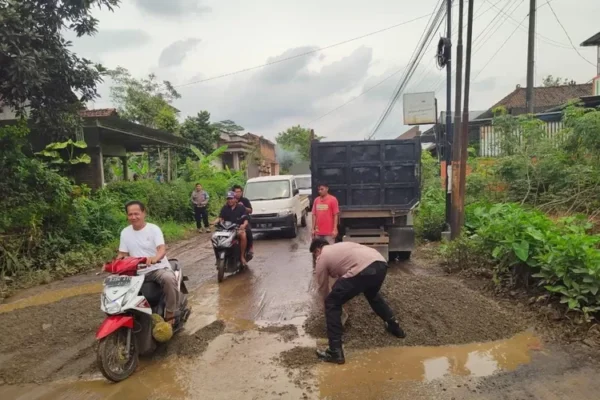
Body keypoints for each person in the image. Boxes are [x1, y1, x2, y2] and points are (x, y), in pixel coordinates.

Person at [310, 238, 405, 364]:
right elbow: (345, 280)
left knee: (331, 302)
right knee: (372, 295)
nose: (315, 258)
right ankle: (395, 327)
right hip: (380, 264)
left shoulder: (322, 256)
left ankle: (335, 352)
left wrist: (327, 305)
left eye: (314, 255)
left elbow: (322, 287)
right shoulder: (341, 247)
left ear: (317, 250)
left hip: (363, 269)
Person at [118, 201, 178, 325]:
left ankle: (170, 313)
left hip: (157, 268)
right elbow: (122, 254)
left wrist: (155, 258)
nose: (133, 217)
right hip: (136, 272)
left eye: (136, 214)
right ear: (127, 216)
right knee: (115, 285)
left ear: (144, 213)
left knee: (169, 278)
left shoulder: (153, 229)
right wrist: (115, 263)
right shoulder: (125, 232)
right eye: (130, 214)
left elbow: (161, 249)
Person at [217, 191, 250, 266]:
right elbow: (220, 218)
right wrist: (215, 222)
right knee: (214, 237)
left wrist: (243, 225)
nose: (230, 200)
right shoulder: (224, 208)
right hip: (226, 229)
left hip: (237, 229)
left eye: (231, 198)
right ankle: (218, 256)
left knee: (243, 235)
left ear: (235, 199)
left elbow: (245, 220)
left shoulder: (241, 208)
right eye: (228, 199)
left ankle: (242, 256)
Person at [232, 184, 253, 254]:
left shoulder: (245, 200)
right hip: (233, 221)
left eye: (239, 191)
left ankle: (250, 247)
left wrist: (243, 207)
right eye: (236, 192)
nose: (238, 193)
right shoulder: (231, 200)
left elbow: (250, 210)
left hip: (244, 220)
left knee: (248, 231)